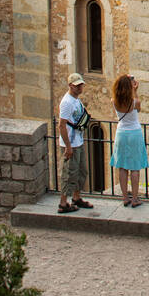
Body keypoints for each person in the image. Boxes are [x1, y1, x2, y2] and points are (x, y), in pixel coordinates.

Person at [58, 72, 94, 214]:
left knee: (81, 171)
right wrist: (68, 147)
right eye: (77, 86)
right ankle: (63, 203)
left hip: (78, 141)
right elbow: (61, 125)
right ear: (70, 86)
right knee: (69, 173)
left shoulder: (76, 100)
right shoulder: (66, 102)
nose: (80, 88)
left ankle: (76, 198)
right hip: (71, 144)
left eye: (81, 85)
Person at [111, 73, 148, 207]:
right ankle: (135, 199)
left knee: (122, 167)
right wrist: (135, 91)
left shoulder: (114, 101)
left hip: (121, 133)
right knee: (135, 168)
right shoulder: (135, 102)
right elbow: (138, 108)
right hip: (134, 133)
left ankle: (125, 197)